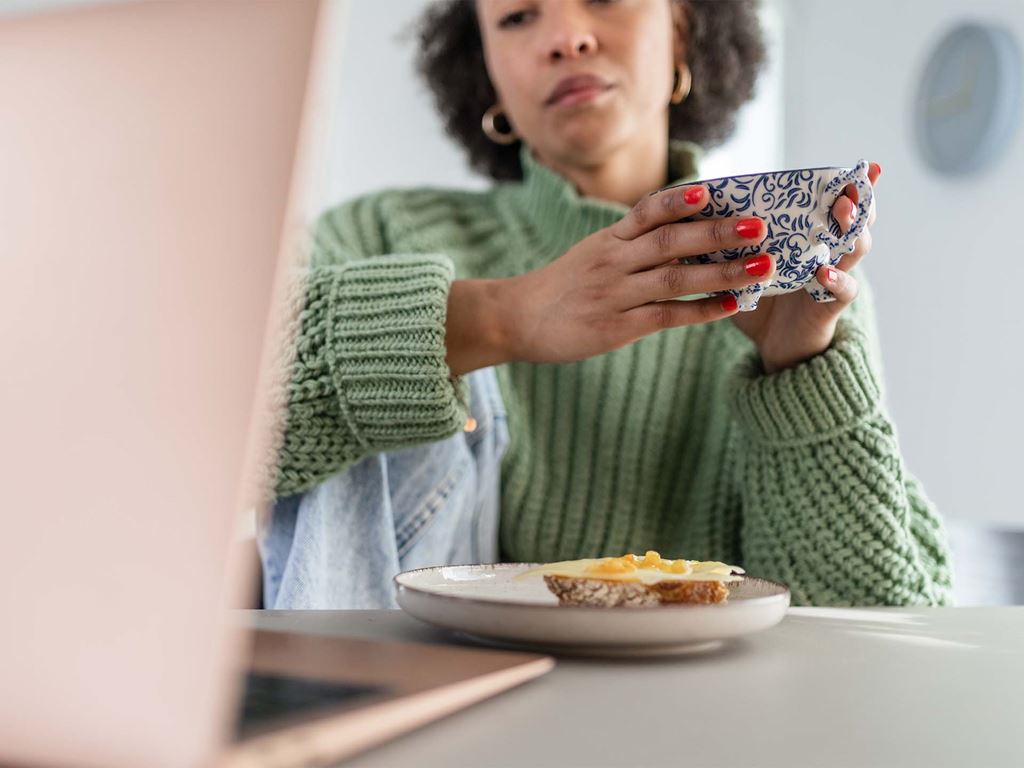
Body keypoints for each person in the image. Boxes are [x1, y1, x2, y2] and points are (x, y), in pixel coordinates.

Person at [265, 0, 953, 607]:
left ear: (682, 28)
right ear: (488, 71)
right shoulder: (379, 236)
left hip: (690, 703)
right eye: (516, 16)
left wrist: (797, 371)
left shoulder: (790, 282)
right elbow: (213, 418)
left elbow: (876, 623)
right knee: (382, 354)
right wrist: (499, 319)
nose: (567, 37)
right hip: (423, 682)